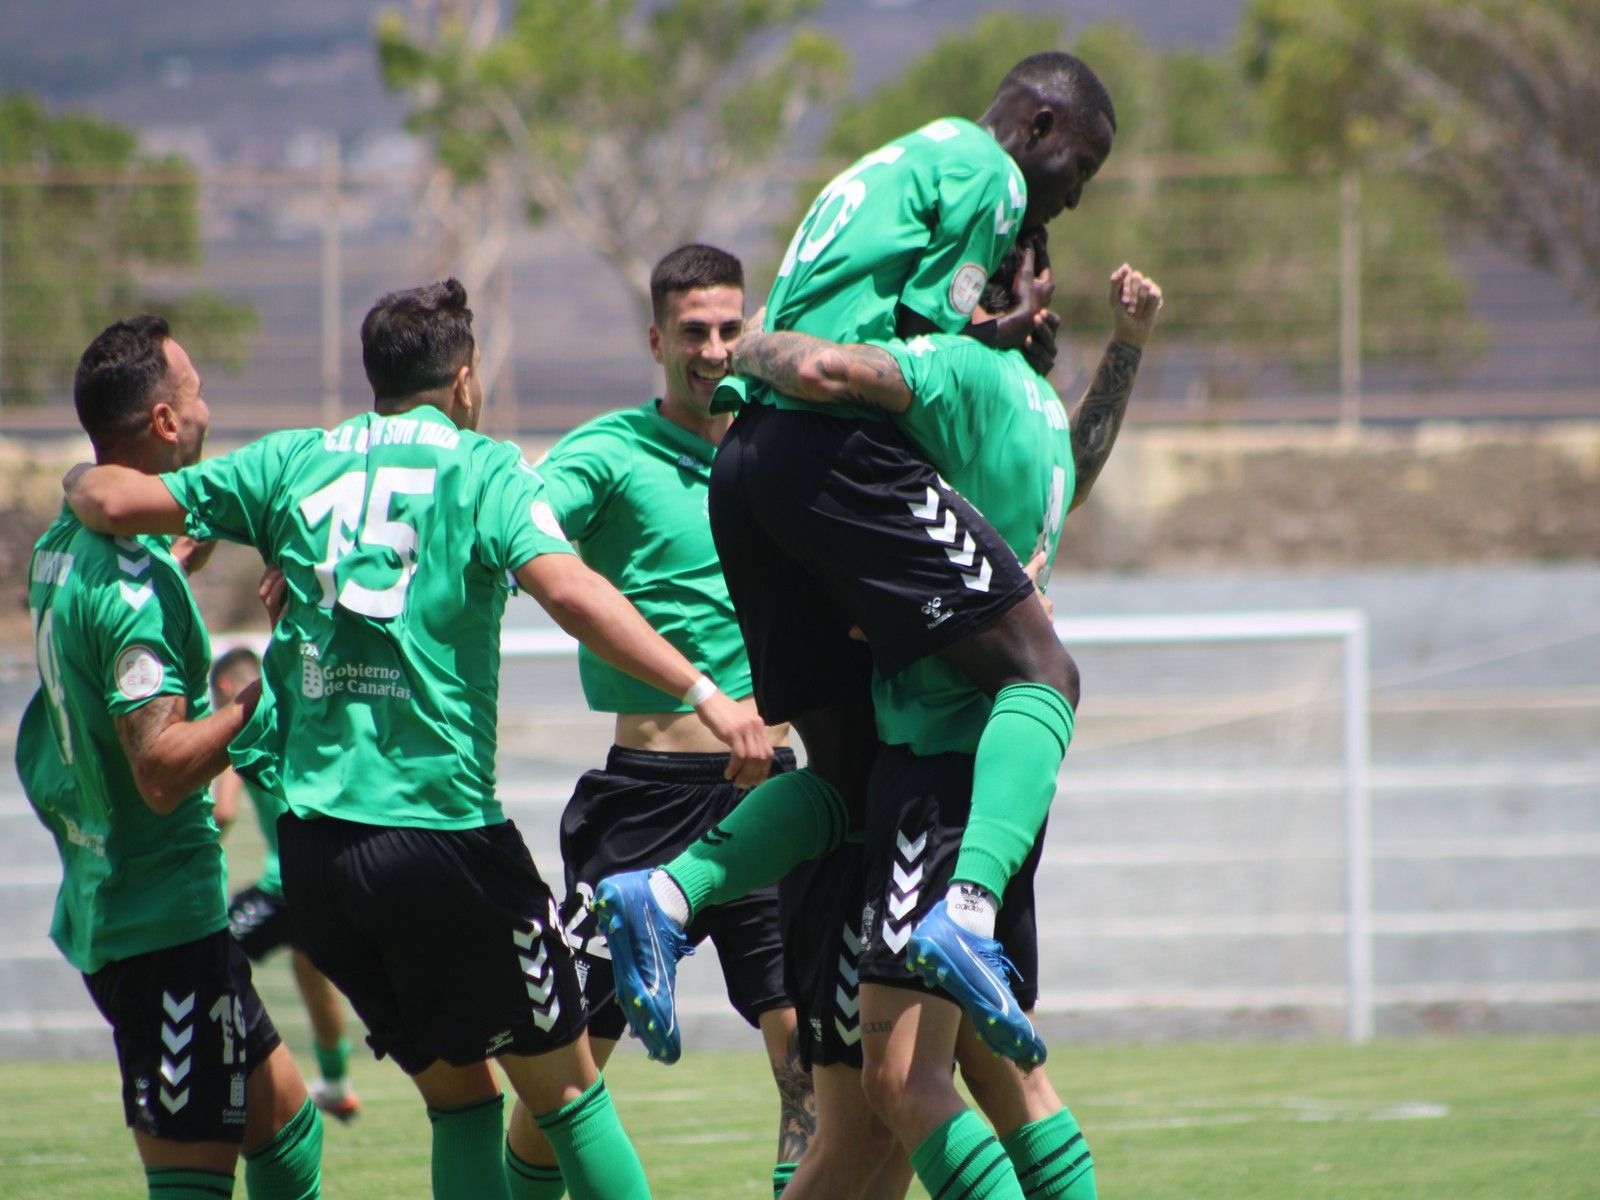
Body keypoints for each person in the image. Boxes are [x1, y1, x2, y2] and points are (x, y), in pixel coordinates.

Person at [64, 279, 772, 1200]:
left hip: (321, 860)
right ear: (465, 380)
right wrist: (703, 690)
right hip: (442, 843)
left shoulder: (292, 462)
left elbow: (112, 500)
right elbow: (569, 591)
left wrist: (81, 477)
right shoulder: (483, 469)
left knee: (463, 1101)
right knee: (570, 1095)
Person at [598, 50, 1118, 1104]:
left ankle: (667, 891)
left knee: (836, 778)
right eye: (1081, 167)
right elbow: (907, 352)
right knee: (1043, 673)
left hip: (746, 463)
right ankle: (965, 911)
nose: (1069, 197)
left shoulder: (893, 161)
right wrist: (998, 339)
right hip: (830, 455)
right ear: (1044, 129)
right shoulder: (986, 171)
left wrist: (747, 356)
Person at [727, 227, 1164, 1200]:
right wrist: (1124, 348)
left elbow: (831, 374)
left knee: (895, 1088)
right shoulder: (1040, 411)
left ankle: (670, 894)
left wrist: (746, 343)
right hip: (1005, 785)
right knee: (1004, 1084)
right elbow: (1079, 470)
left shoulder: (958, 373)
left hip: (932, 760)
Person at [502, 245, 813, 1200]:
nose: (714, 349)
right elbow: (514, 524)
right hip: (645, 800)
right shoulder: (608, 454)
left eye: (729, 328)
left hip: (776, 791)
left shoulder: (788, 447)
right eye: (693, 332)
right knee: (572, 1065)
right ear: (655, 340)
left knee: (807, 1066)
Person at [19, 316, 322, 1200]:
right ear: (162, 422)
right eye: (194, 392)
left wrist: (185, 553)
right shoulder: (132, 588)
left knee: (290, 1126)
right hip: (155, 923)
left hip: (138, 904)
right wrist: (266, 693)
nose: (207, 408)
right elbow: (158, 770)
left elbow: (128, 599)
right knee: (193, 1177)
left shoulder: (63, 547)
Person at [210, 646, 361, 1123]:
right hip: (329, 879)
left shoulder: (244, 728)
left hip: (284, 886)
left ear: (230, 691)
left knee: (207, 958)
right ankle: (336, 1084)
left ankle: (220, 1079)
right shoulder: (302, 718)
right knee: (311, 972)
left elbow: (224, 810)